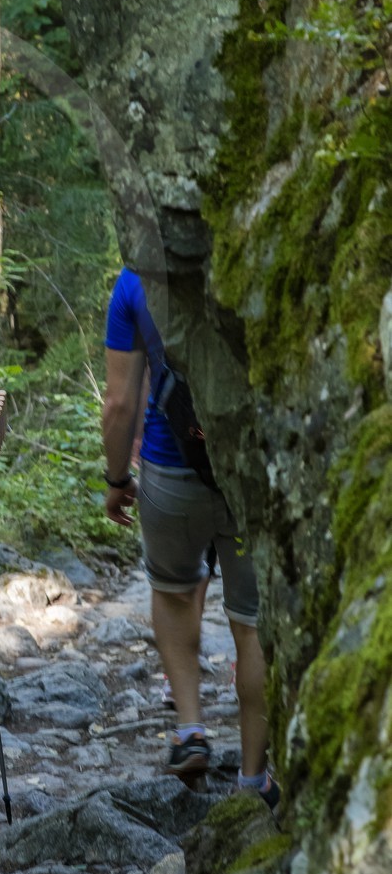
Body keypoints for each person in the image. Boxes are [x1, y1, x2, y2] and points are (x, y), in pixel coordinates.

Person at [101, 266, 277, 807]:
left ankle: (191, 731)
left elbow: (121, 404)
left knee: (175, 596)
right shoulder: (254, 251)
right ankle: (253, 778)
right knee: (252, 627)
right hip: (256, 472)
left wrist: (116, 479)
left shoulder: (135, 282)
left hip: (171, 473)